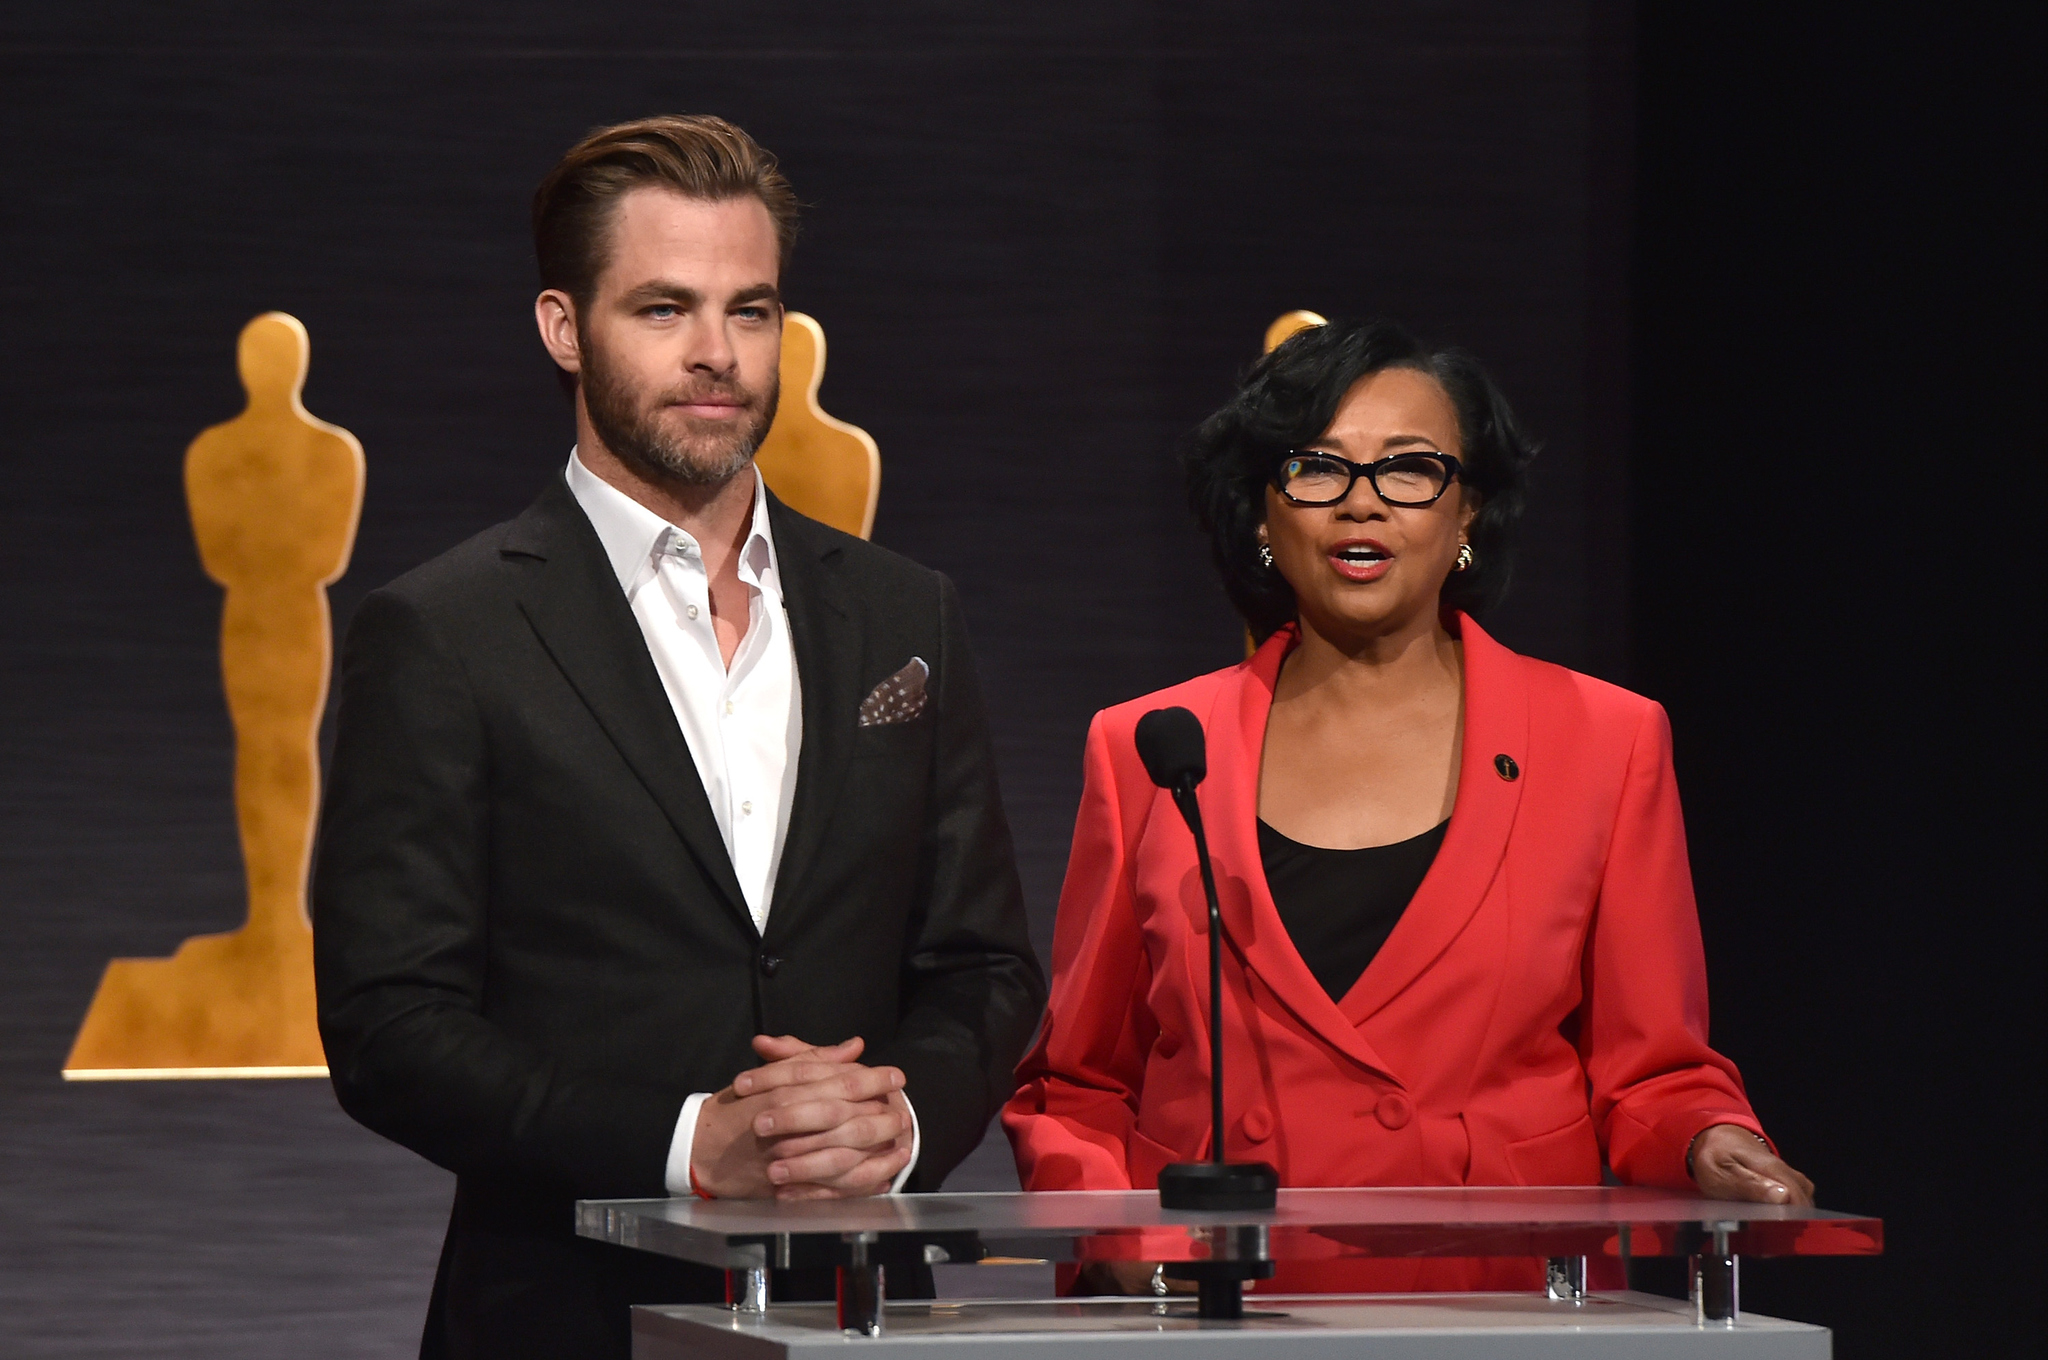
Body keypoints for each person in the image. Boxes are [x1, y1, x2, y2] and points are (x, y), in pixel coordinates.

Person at [313, 115, 1044, 1358]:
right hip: (562, 1310)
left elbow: (982, 967)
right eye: (663, 309)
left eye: (748, 311)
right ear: (563, 326)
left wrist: (901, 1121)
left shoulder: (900, 610)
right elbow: (391, 1026)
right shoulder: (443, 630)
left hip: (859, 1309)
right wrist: (683, 1141)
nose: (717, 356)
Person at [1002, 317, 1811, 1295]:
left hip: (1493, 1304)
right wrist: (1124, 1244)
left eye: (1409, 470)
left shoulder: (1605, 741)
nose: (1361, 505)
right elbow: (1078, 1086)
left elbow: (1653, 1074)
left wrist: (1706, 1136)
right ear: (1261, 514)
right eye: (1316, 469)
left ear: (1466, 512)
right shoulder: (1148, 749)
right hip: (1221, 1307)